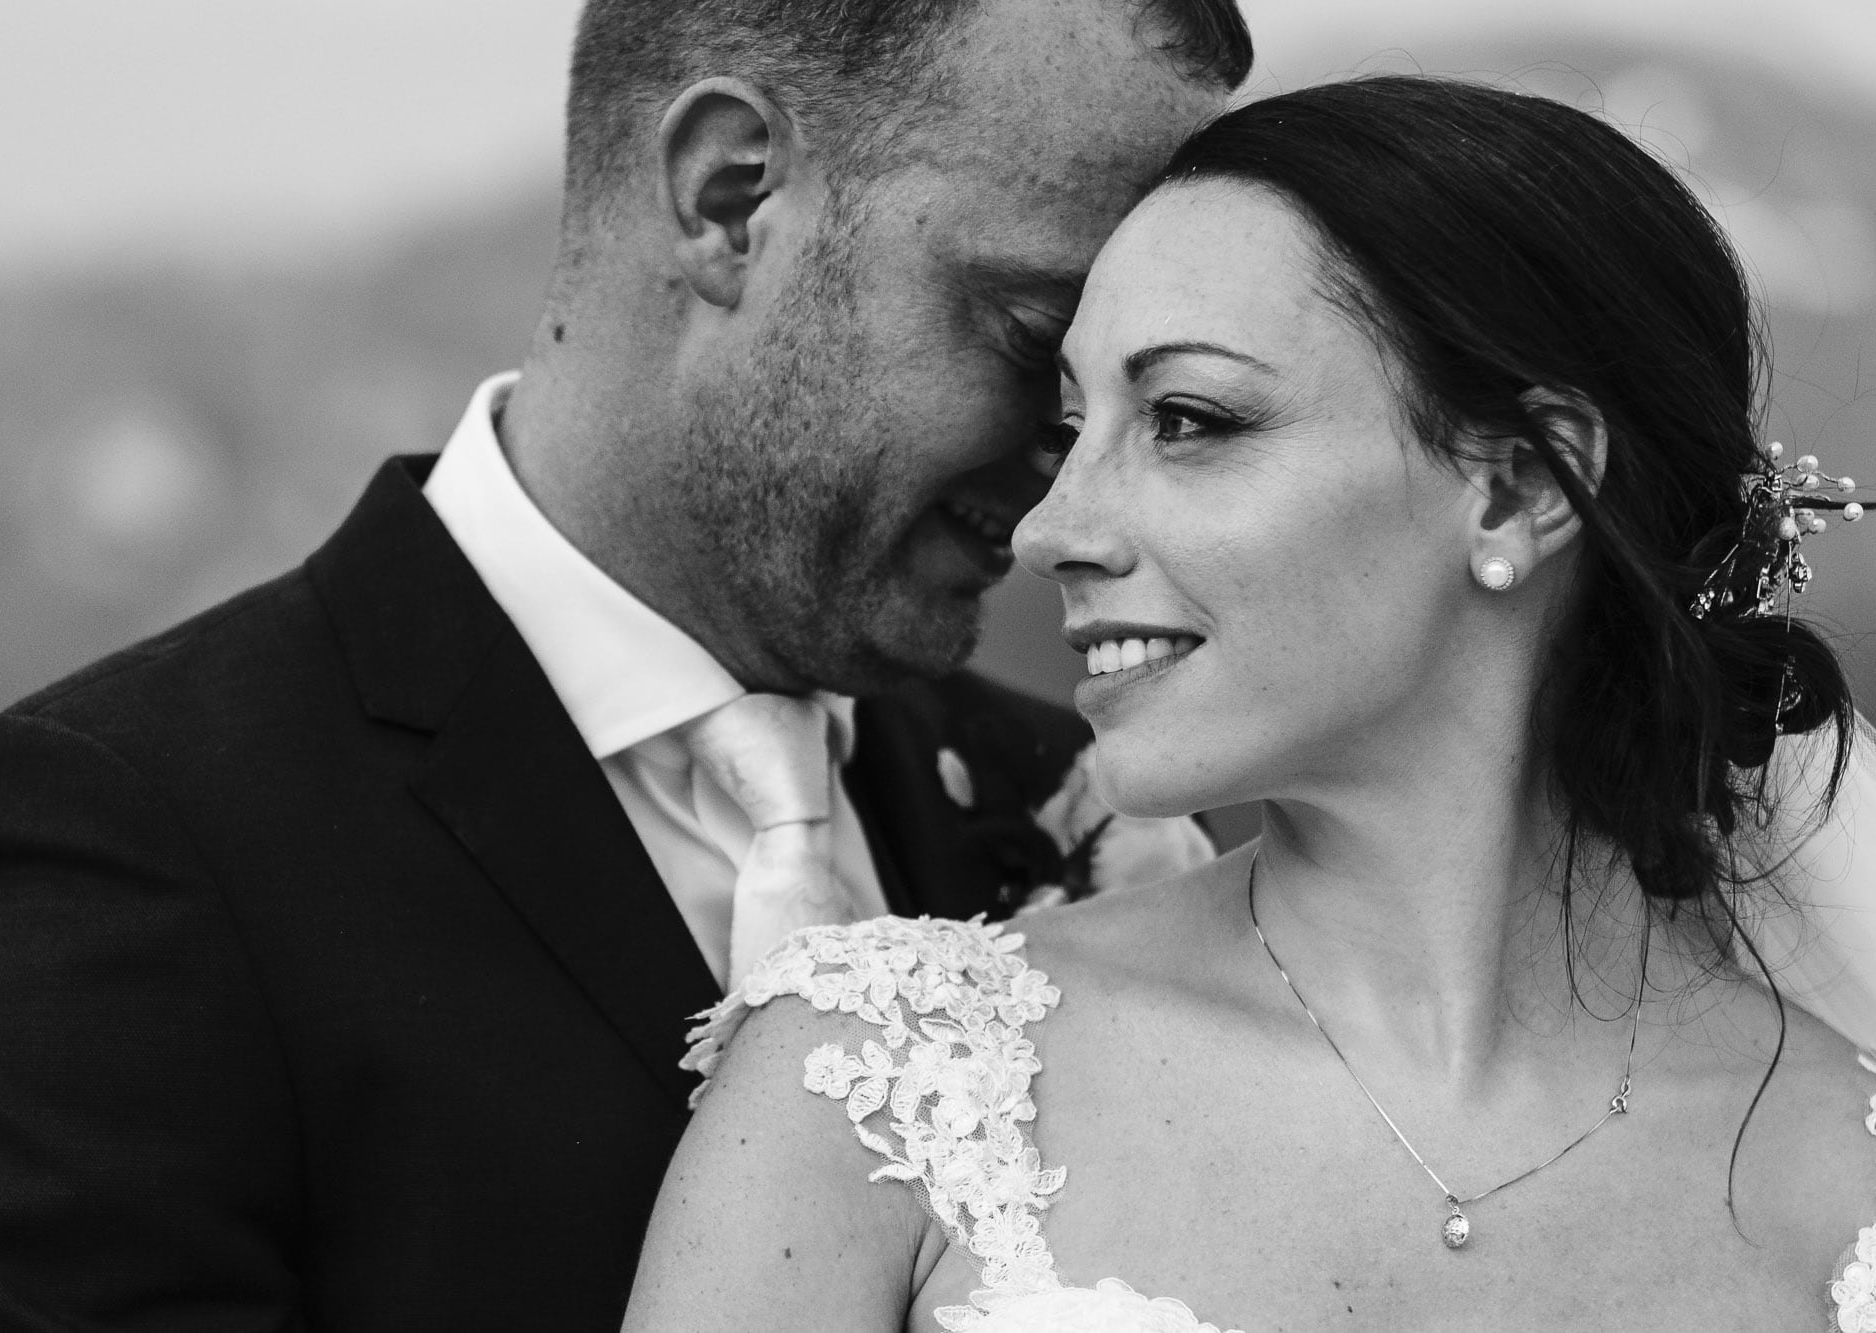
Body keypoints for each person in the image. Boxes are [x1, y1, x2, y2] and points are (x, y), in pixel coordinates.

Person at [0, 2, 1250, 1329]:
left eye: (1140, 388)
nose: (1078, 473)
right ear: (729, 196)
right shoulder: (126, 838)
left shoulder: (1079, 814)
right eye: (1028, 337)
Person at [625, 76, 1876, 1330]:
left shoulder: (1843, 1168)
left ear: (1516, 488)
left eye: (1186, 418)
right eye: (1070, 430)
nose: (1052, 527)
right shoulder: (875, 1080)